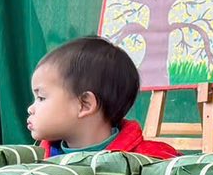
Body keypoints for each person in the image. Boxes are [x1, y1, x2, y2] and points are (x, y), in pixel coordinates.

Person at [26, 35, 179, 159]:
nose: (30, 109)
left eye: (41, 98)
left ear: (85, 104)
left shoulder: (154, 162)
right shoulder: (35, 163)